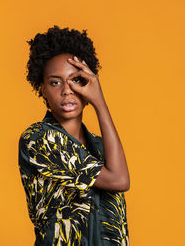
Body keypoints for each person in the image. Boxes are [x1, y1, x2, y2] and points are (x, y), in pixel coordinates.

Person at [18, 25, 130, 245]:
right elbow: (119, 179)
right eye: (55, 82)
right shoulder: (39, 140)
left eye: (76, 80)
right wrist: (100, 102)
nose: (67, 90)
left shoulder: (99, 145)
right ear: (42, 88)